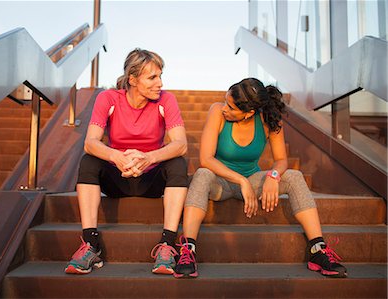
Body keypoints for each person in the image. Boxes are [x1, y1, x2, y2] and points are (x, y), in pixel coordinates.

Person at [173, 78, 347, 279]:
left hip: (253, 181)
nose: (224, 109)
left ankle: (318, 250)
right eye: (225, 101)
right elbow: (205, 159)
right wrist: (241, 181)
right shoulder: (216, 111)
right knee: (201, 175)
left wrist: (273, 176)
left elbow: (281, 159)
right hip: (220, 182)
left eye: (231, 107)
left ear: (249, 113)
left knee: (294, 176)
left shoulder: (269, 119)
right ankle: (188, 250)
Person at [65, 48, 188, 275]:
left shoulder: (166, 100)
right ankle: (91, 244)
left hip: (151, 179)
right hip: (117, 178)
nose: (159, 83)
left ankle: (168, 245)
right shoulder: (108, 98)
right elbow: (90, 142)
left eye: (160, 76)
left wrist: (149, 157)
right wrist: (117, 157)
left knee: (178, 163)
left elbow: (180, 144)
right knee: (89, 161)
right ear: (132, 79)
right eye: (152, 77)